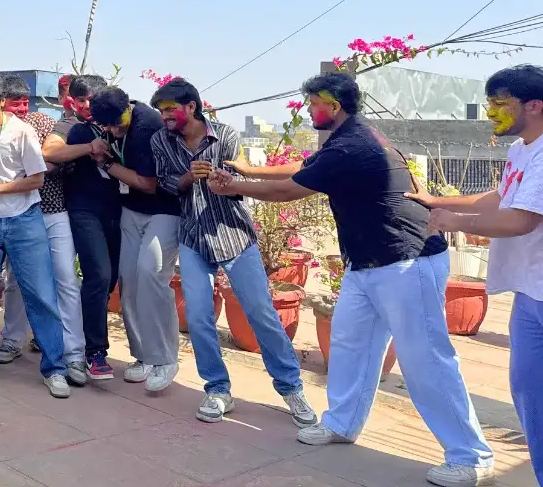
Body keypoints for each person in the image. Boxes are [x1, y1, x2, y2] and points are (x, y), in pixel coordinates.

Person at [208, 72, 493, 487]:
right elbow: (305, 168)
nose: (308, 110)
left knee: (426, 360)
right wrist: (249, 171)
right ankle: (341, 423)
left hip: (405, 260)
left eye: (312, 103)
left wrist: (234, 186)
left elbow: (292, 190)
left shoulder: (352, 144)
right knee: (349, 344)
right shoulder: (349, 138)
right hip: (367, 263)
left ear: (333, 106)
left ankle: (472, 456)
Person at [148, 78, 316, 426]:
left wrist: (218, 178)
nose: (164, 117)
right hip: (193, 236)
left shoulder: (223, 135)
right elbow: (165, 183)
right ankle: (217, 389)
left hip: (233, 234)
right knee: (197, 317)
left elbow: (234, 179)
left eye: (169, 110)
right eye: (160, 111)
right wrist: (187, 178)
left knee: (261, 313)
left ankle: (291, 388)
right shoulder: (160, 141)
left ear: (190, 107)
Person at [416, 65, 543, 484]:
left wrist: (455, 221)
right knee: (529, 396)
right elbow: (503, 197)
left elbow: (522, 220)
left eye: (499, 103)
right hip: (530, 293)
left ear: (535, 105)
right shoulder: (522, 150)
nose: (490, 113)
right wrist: (441, 200)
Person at [0, 71, 69, 399]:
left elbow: (37, 179)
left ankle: (55, 368)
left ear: (2, 102)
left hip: (24, 219)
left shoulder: (21, 131)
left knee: (39, 293)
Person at [88, 86, 182, 392]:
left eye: (117, 122)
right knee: (127, 280)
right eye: (108, 126)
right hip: (131, 210)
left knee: (150, 274)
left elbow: (147, 184)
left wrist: (107, 164)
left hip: (164, 210)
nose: (114, 130)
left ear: (127, 107)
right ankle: (142, 355)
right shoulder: (114, 125)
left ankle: (165, 358)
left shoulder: (148, 127)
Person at [0, 76, 88, 386]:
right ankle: (11, 340)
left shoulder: (41, 121)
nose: (22, 108)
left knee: (65, 278)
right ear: (0, 103)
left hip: (53, 209)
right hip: (18, 213)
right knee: (15, 281)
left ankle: (74, 352)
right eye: (15, 102)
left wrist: (28, 165)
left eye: (25, 102)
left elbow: (51, 161)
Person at [42, 74, 119, 380]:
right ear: (73, 102)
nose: (89, 105)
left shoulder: (116, 122)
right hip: (82, 209)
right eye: (83, 100)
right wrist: (89, 147)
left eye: (94, 99)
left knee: (110, 278)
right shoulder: (69, 128)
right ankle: (94, 352)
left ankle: (83, 340)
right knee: (97, 274)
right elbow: (50, 152)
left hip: (117, 210)